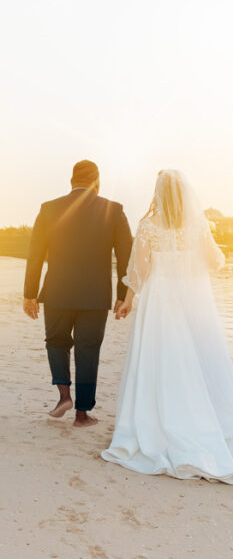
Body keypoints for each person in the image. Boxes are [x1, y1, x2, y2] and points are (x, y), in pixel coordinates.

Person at [101, 170, 233, 485]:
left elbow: (139, 273)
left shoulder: (148, 227)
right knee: (197, 361)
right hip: (191, 304)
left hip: (159, 302)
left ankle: (158, 424)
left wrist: (128, 300)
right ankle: (204, 423)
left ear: (157, 192)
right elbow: (215, 262)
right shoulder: (198, 226)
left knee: (163, 362)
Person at [23, 160, 133, 427]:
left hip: (58, 292)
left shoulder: (49, 209)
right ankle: (82, 414)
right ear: (97, 182)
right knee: (88, 349)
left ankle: (63, 396)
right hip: (95, 295)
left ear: (71, 181)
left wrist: (30, 293)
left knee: (56, 341)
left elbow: (35, 255)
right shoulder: (114, 210)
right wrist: (123, 294)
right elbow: (126, 256)